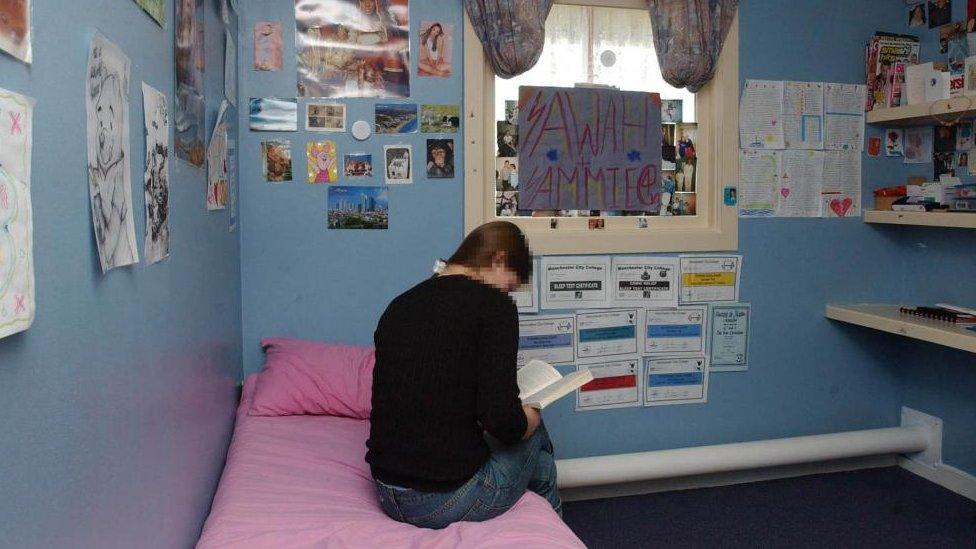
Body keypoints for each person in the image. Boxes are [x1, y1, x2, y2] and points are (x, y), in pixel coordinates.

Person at [367, 221, 560, 529]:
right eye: (510, 286)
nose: (507, 294)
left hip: (387, 491)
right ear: (498, 259)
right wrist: (531, 417)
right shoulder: (494, 307)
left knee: (542, 466)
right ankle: (552, 531)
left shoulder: (400, 304)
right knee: (535, 429)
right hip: (442, 499)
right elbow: (503, 424)